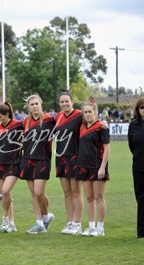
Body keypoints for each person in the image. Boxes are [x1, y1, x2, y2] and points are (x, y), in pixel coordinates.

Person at [21, 94, 55, 234]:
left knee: (39, 192)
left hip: (43, 159)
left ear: (40, 104)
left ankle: (47, 215)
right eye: (32, 104)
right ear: (28, 107)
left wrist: (102, 123)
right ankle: (39, 223)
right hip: (28, 159)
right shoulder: (25, 121)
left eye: (36, 104)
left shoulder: (50, 120)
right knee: (33, 193)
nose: (34, 106)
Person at [77, 100, 110, 237]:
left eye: (90, 111)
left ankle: (100, 228)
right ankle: (91, 226)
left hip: (97, 166)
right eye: (85, 112)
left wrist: (102, 168)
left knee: (99, 197)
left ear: (96, 113)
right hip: (84, 167)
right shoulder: (82, 127)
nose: (88, 114)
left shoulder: (101, 127)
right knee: (89, 197)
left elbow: (107, 149)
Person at [54, 91, 84, 235]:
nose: (64, 104)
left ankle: (78, 223)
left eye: (67, 101)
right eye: (62, 102)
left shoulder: (79, 115)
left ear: (72, 102)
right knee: (66, 192)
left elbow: (92, 122)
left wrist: (102, 123)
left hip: (75, 157)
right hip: (61, 157)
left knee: (76, 192)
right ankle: (70, 222)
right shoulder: (58, 117)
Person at [0, 101, 23, 233]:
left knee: (5, 191)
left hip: (14, 163)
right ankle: (11, 223)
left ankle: (4, 219)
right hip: (0, 163)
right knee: (5, 195)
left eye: (0, 117)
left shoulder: (18, 125)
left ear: (7, 114)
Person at [128, 97, 144, 238]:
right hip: (139, 166)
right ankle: (141, 231)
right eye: (142, 107)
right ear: (138, 109)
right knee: (141, 198)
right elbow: (132, 146)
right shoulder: (133, 126)